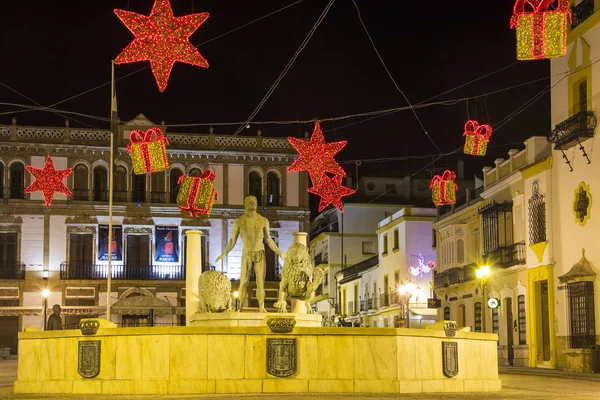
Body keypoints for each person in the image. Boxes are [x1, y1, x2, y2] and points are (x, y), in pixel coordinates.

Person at [215, 195, 284, 312]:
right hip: (247, 252)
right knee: (244, 281)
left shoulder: (263, 220)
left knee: (260, 283)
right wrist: (225, 252)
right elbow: (232, 239)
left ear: (257, 203)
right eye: (249, 201)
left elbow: (268, 239)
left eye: (254, 201)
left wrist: (280, 253)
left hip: (260, 252)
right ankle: (240, 307)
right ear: (245, 204)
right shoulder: (239, 221)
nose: (252, 203)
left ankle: (261, 307)